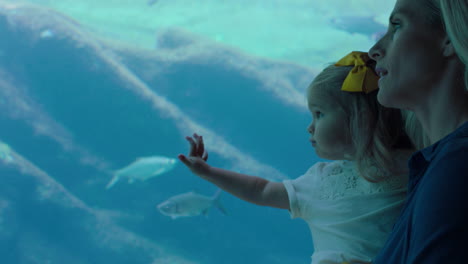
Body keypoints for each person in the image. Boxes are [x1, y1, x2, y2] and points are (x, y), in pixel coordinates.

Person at [178, 51, 414, 264]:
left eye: (319, 114)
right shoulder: (322, 180)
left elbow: (261, 191)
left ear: (360, 118)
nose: (310, 127)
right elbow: (260, 190)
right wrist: (209, 173)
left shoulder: (417, 165)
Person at [368, 0, 468, 263]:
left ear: (447, 38)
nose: (374, 50)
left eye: (397, 25)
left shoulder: (457, 165)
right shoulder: (439, 164)